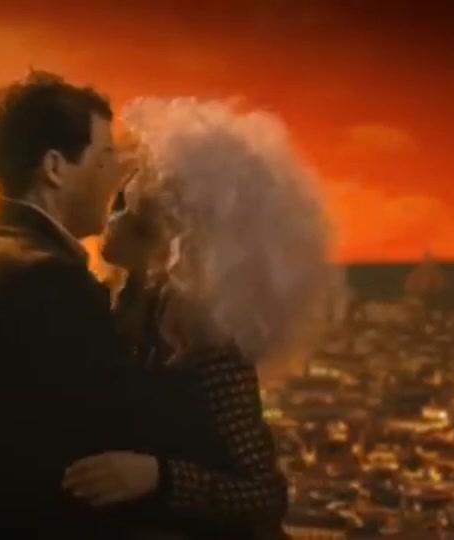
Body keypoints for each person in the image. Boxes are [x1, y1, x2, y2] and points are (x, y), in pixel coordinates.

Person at [62, 98, 341, 540]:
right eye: (118, 202)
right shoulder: (126, 311)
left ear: (173, 240)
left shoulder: (206, 342)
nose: (111, 219)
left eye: (130, 210)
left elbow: (264, 494)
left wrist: (159, 477)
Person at [0, 70, 145, 539]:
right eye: (105, 156)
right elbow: (109, 447)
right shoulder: (50, 280)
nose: (117, 173)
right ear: (55, 168)